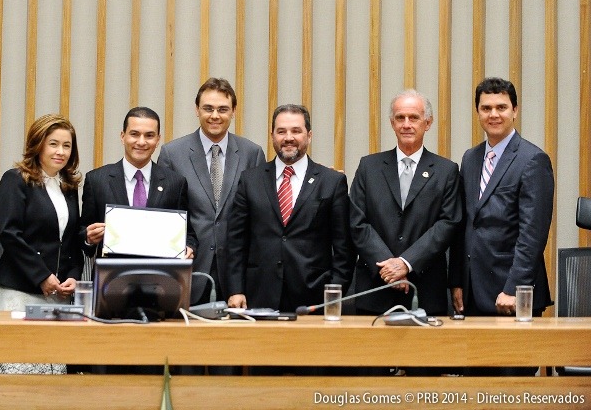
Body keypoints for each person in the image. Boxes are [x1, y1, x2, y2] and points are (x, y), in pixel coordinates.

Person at [450, 77, 553, 376]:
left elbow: (533, 234)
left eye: (501, 107)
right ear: (478, 112)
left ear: (515, 110)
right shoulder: (470, 159)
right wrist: (457, 280)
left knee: (511, 393)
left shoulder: (533, 159)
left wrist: (514, 289)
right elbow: (464, 224)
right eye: (486, 108)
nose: (493, 114)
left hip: (511, 296)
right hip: (473, 293)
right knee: (475, 388)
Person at [225, 104, 354, 313]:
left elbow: (344, 249)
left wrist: (333, 295)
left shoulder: (332, 182)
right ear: (272, 135)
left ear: (309, 135)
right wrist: (235, 290)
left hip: (314, 298)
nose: (288, 137)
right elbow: (236, 242)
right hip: (258, 295)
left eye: (296, 131)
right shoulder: (250, 180)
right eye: (281, 131)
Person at [350, 90, 462, 317]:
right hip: (375, 289)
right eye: (400, 118)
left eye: (414, 118)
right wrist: (389, 267)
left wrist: (406, 263)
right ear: (392, 123)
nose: (407, 124)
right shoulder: (368, 167)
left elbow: (448, 224)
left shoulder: (446, 171)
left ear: (427, 123)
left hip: (424, 290)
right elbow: (356, 222)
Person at [158, 78, 265, 306]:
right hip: (190, 269)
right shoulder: (172, 154)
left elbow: (259, 215)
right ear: (197, 110)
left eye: (222, 109)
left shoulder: (252, 153)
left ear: (234, 111)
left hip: (237, 274)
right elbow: (165, 212)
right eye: (208, 108)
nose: (215, 115)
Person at [0, 114, 83, 375]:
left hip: (59, 294)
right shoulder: (16, 179)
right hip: (20, 291)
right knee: (21, 371)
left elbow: (71, 239)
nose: (61, 151)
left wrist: (74, 277)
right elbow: (9, 233)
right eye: (53, 144)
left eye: (67, 146)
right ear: (38, 144)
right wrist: (42, 276)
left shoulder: (69, 186)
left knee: (54, 376)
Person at [81, 107, 196, 273]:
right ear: (123, 136)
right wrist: (88, 239)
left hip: (160, 282)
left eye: (149, 135)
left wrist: (189, 247)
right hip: (110, 282)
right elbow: (81, 231)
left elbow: (189, 234)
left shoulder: (175, 183)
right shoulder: (97, 180)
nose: (141, 142)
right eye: (134, 134)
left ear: (158, 139)